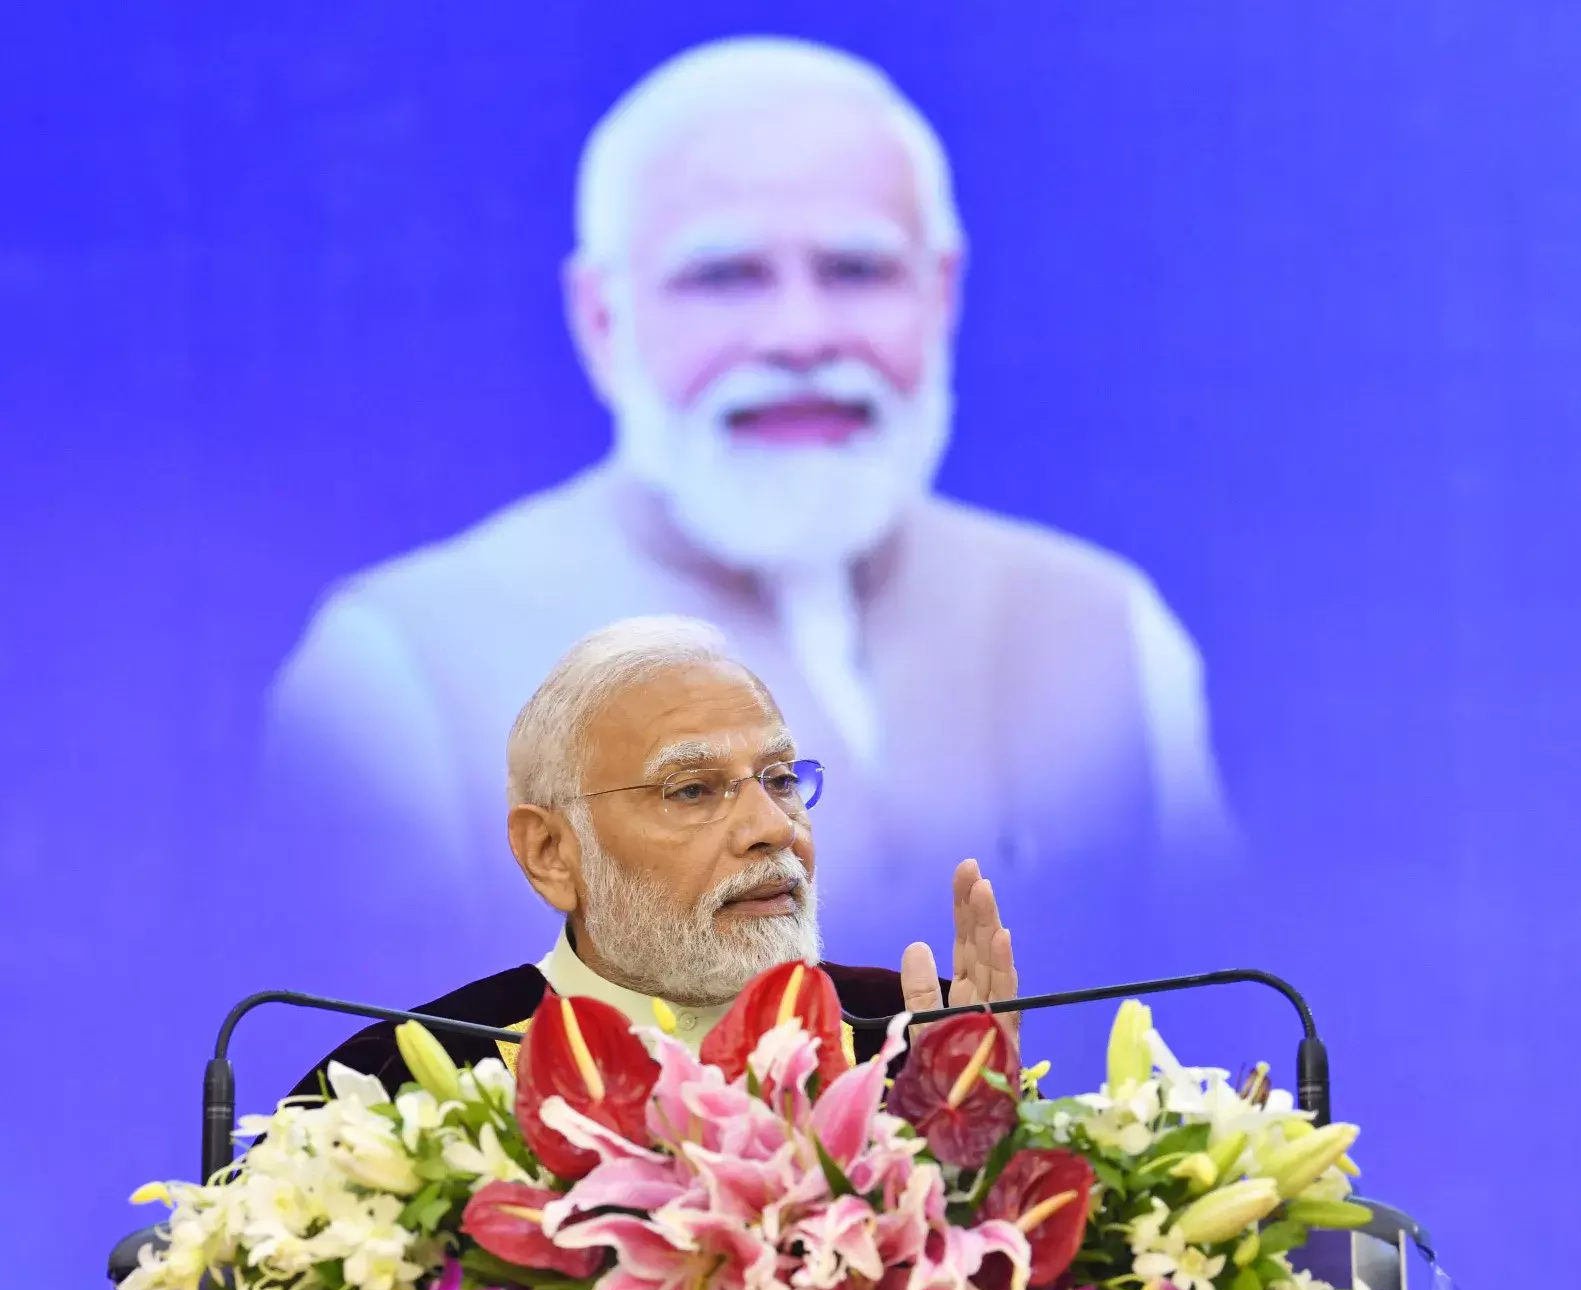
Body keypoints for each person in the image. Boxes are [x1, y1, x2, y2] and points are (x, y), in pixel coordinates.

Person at [259, 34, 1230, 993]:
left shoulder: (1106, 625)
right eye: (723, 277)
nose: (800, 335)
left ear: (939, 295)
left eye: (856, 270)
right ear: (602, 319)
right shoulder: (394, 668)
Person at [308, 616, 1018, 1089]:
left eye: (779, 780)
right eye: (690, 791)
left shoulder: (914, 1041)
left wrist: (978, 1144)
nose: (771, 828)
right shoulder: (395, 1086)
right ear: (551, 851)